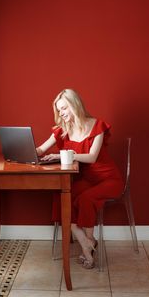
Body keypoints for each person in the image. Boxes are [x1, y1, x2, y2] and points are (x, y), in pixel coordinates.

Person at [36, 88, 124, 269]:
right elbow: (40, 150)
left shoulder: (97, 126)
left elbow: (91, 157)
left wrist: (63, 156)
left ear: (74, 105)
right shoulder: (62, 130)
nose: (61, 113)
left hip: (109, 179)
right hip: (87, 181)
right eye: (59, 110)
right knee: (61, 195)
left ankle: (88, 247)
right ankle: (85, 240)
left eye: (64, 108)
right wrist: (18, 150)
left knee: (85, 199)